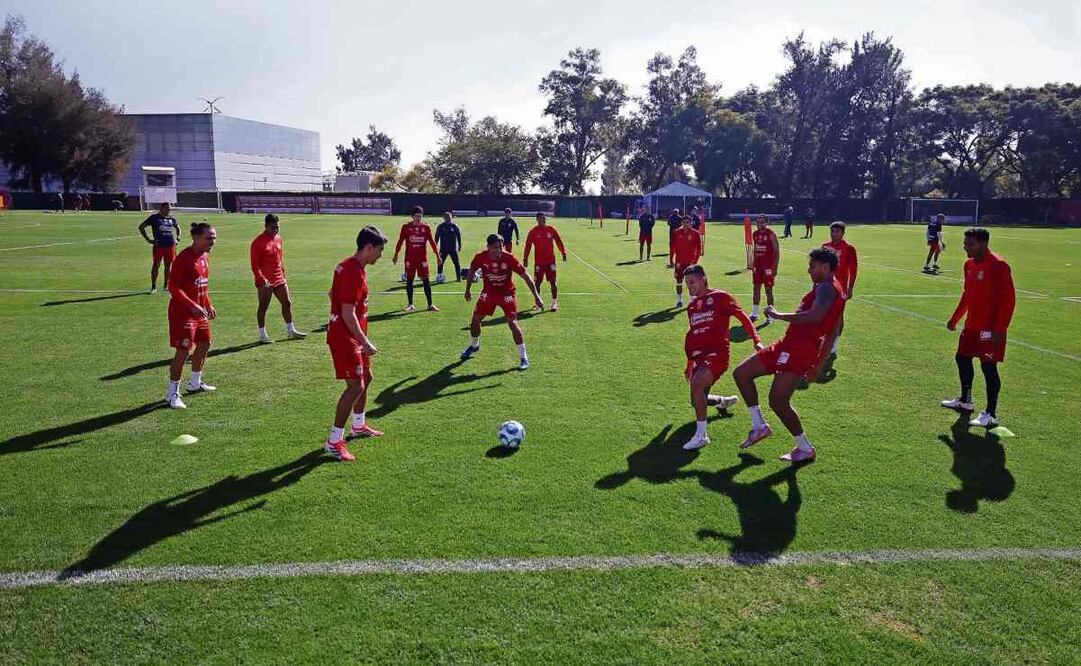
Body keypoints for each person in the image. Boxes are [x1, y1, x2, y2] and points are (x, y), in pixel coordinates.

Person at [731, 247, 846, 463]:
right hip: (788, 344)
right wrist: (819, 364)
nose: (809, 270)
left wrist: (778, 315)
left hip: (799, 350)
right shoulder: (831, 288)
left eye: (812, 266)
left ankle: (804, 448)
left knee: (777, 400)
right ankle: (759, 426)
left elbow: (815, 317)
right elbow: (833, 331)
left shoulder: (827, 289)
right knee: (741, 373)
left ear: (825, 267)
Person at [681, 265, 763, 451]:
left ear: (703, 279)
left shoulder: (720, 297)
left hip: (717, 354)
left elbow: (742, 316)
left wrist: (756, 340)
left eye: (692, 282)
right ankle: (721, 402)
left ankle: (701, 436)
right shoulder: (692, 307)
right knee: (696, 400)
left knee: (696, 385)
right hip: (700, 358)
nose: (689, 287)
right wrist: (689, 364)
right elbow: (693, 335)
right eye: (687, 284)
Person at [324, 226, 389, 461]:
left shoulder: (351, 267)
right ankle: (334, 441)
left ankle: (358, 426)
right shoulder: (352, 272)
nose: (381, 255)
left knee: (366, 378)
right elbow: (348, 313)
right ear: (368, 248)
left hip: (350, 333)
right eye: (379, 250)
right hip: (346, 337)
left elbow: (332, 294)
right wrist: (365, 341)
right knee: (355, 386)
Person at [941, 227, 1016, 428]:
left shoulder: (999, 265)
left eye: (970, 244)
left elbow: (1008, 300)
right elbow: (967, 294)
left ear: (983, 244)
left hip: (989, 330)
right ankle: (966, 401)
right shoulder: (968, 265)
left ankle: (991, 413)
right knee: (962, 358)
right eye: (965, 243)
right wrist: (955, 318)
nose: (965, 247)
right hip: (971, 326)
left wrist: (1000, 329)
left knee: (988, 367)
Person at [461, 234, 544, 370]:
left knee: (512, 323)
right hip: (488, 293)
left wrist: (536, 296)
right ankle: (474, 346)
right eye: (496, 247)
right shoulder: (480, 257)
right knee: (475, 322)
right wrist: (468, 290)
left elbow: (526, 276)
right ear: (488, 247)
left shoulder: (509, 258)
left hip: (507, 295)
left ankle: (524, 358)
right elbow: (471, 271)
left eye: (501, 246)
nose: (499, 250)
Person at [164, 222, 218, 410]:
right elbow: (173, 288)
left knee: (205, 344)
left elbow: (202, 285)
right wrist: (192, 305)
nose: (213, 241)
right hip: (183, 314)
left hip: (199, 312)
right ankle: (172, 394)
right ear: (195, 237)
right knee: (184, 350)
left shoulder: (204, 257)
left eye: (214, 238)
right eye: (209, 238)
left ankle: (194, 383)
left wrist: (208, 304)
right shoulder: (183, 259)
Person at [250, 213, 305, 343]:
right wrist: (261, 278)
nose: (276, 230)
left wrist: (283, 274)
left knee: (287, 303)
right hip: (265, 281)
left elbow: (279, 259)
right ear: (266, 226)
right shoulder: (257, 242)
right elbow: (254, 264)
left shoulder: (278, 239)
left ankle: (291, 330)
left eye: (277, 227)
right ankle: (262, 335)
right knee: (263, 307)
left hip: (279, 277)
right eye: (273, 228)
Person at [392, 205, 440, 312]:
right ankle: (410, 304)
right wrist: (396, 254)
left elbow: (432, 242)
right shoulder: (406, 227)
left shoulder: (426, 228)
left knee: (426, 281)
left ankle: (430, 304)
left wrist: (437, 255)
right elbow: (400, 241)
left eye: (420, 216)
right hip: (410, 259)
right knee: (409, 280)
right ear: (412, 217)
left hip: (422, 259)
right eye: (416, 216)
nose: (418, 219)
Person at [822, 221, 858, 355]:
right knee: (823, 313)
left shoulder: (849, 248)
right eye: (832, 231)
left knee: (838, 316)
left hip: (840, 288)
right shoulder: (825, 246)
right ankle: (824, 339)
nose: (834, 234)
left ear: (843, 233)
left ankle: (834, 343)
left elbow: (853, 269)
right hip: (825, 287)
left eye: (837, 231)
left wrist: (850, 288)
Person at [522, 212, 567, 311]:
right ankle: (537, 303)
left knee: (553, 282)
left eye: (544, 218)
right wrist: (525, 259)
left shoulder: (551, 230)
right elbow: (528, 246)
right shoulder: (533, 231)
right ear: (537, 220)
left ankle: (554, 303)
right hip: (539, 263)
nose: (543, 220)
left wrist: (563, 252)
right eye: (541, 218)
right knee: (537, 283)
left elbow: (559, 241)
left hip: (550, 262)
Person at [138, 202, 181, 293]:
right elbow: (141, 227)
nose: (168, 211)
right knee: (156, 265)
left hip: (170, 245)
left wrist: (178, 238)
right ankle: (153, 287)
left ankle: (166, 286)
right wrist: (148, 239)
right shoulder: (154, 218)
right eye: (167, 209)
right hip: (159, 246)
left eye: (169, 209)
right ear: (161, 209)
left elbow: (178, 228)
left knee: (168, 266)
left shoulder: (171, 218)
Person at [750, 215, 779, 321]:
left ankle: (771, 315)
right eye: (758, 222)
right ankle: (754, 313)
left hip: (768, 267)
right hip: (758, 267)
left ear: (767, 223)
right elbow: (755, 249)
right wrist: (753, 264)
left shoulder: (771, 234)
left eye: (762, 222)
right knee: (756, 289)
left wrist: (775, 268)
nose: (759, 224)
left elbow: (776, 252)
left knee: (768, 291)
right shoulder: (755, 234)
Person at [671, 216, 702, 309]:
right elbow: (672, 246)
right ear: (681, 223)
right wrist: (671, 259)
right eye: (684, 222)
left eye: (688, 222)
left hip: (690, 263)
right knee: (679, 281)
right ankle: (679, 300)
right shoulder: (676, 233)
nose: (686, 224)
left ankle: (691, 301)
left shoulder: (695, 234)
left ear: (691, 223)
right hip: (679, 262)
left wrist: (695, 260)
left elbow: (699, 248)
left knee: (691, 282)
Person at [435, 212, 463, 283]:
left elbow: (458, 236)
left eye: (449, 217)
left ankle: (458, 277)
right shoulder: (440, 226)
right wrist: (435, 246)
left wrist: (459, 245)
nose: (448, 218)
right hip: (443, 249)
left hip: (452, 249)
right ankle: (439, 276)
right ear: (443, 218)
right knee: (440, 263)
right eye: (446, 217)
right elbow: (436, 237)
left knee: (456, 263)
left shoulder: (454, 226)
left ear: (451, 217)